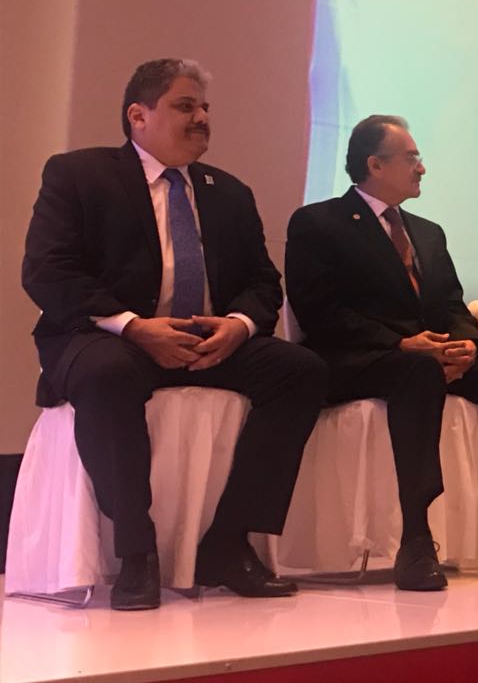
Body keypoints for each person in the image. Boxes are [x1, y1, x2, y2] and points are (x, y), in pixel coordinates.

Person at [21, 59, 326, 611]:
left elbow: (262, 281)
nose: (202, 117)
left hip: (205, 340)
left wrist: (238, 326)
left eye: (205, 107)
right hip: (108, 335)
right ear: (138, 115)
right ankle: (136, 552)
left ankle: (229, 544)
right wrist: (133, 326)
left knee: (301, 372)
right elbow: (48, 271)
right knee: (107, 373)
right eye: (186, 106)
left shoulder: (228, 192)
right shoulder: (78, 175)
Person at [285, 116, 478, 586]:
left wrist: (465, 344)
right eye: (411, 158)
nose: (422, 168)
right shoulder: (318, 222)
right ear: (374, 164)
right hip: (359, 358)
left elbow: (452, 305)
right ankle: (415, 539)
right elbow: (320, 312)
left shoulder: (427, 232)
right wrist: (400, 343)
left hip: (432, 357)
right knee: (417, 372)